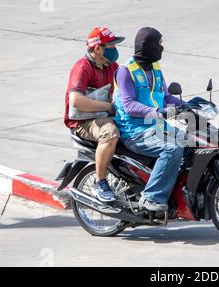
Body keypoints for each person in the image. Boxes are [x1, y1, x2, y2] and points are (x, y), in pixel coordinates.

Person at [113, 27, 185, 212]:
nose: (162, 47)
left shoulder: (155, 67)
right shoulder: (126, 71)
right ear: (148, 46)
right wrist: (157, 112)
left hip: (156, 126)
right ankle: (151, 198)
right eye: (159, 43)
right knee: (172, 148)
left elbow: (166, 97)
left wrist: (187, 105)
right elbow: (128, 105)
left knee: (192, 141)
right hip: (134, 131)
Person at [63, 27, 124, 202]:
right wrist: (109, 107)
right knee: (110, 133)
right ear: (97, 48)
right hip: (83, 122)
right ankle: (100, 181)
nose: (114, 50)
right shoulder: (82, 67)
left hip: (105, 115)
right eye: (110, 46)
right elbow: (76, 101)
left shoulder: (112, 66)